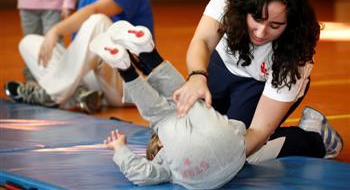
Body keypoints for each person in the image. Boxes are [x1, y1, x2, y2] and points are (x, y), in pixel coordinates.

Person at [92, 20, 341, 189]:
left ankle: (128, 67)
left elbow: (140, 173)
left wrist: (120, 150)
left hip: (225, 159)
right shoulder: (171, 141)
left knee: (172, 108)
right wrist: (121, 149)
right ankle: (140, 60)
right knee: (179, 102)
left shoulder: (165, 166)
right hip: (232, 146)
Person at [173, 0, 343, 159]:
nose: (261, 32)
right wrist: (197, 76)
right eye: (257, 19)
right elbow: (202, 40)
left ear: (291, 24)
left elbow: (258, 131)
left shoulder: (295, 54)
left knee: (239, 151)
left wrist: (217, 161)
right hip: (221, 65)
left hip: (258, 85)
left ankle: (314, 138)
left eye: (275, 25)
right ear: (245, 8)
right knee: (182, 133)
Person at [4, 0, 154, 113]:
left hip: (129, 82)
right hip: (97, 84)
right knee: (28, 43)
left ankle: (52, 94)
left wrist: (55, 30)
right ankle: (82, 95)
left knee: (98, 21)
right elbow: (78, 59)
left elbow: (96, 10)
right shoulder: (85, 0)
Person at [7, 0, 76, 82]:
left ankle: (59, 79)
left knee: (54, 44)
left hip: (53, 6)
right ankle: (31, 80)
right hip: (27, 5)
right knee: (29, 44)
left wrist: (68, 2)